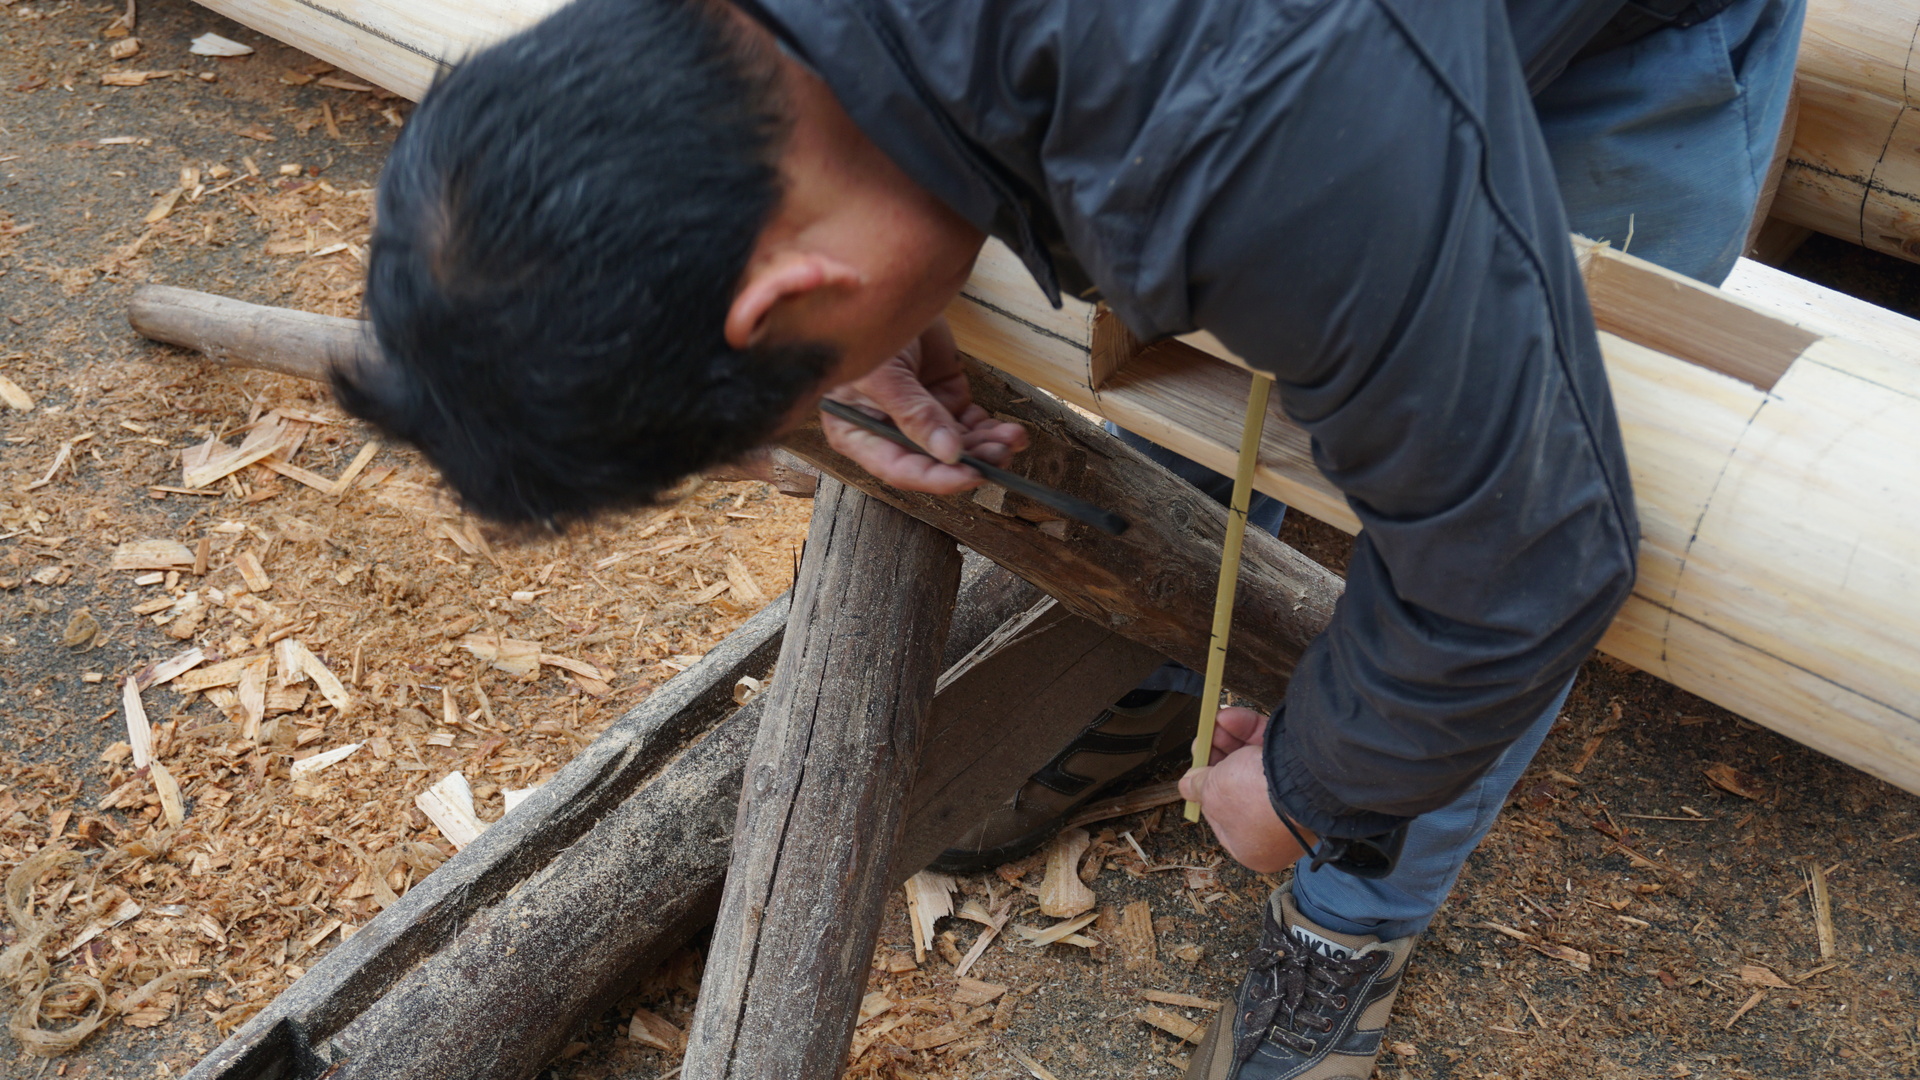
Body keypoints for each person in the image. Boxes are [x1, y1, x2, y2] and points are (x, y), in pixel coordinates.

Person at [334, 0, 1804, 1075]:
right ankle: (1162, 690)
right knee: (1284, 325)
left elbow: (1526, 553)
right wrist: (872, 316)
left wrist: (1317, 778)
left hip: (1603, 48)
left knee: (1498, 442)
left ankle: (1350, 906)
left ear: (789, 292)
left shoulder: (1252, 124)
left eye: (794, 378)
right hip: (1325, 101)